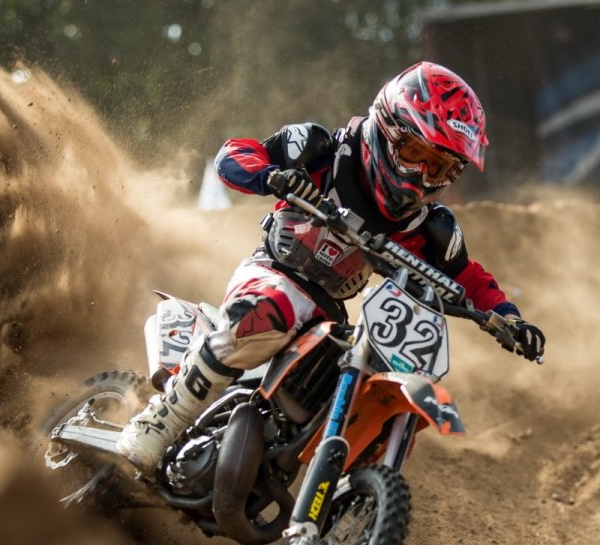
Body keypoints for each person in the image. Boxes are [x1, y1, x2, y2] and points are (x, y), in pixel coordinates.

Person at [117, 62, 545, 478]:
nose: (423, 175)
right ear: (388, 129)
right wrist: (273, 177)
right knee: (273, 307)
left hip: (329, 314)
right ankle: (162, 420)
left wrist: (507, 317)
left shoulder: (427, 227)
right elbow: (235, 154)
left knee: (362, 376)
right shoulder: (319, 150)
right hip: (274, 274)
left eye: (441, 167)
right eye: (416, 153)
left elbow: (466, 277)